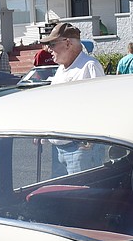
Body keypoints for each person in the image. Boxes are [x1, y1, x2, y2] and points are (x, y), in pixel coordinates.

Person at [40, 22, 105, 172]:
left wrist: (91, 139)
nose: (49, 49)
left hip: (80, 149)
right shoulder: (61, 70)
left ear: (67, 43)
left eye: (52, 44)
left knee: (81, 194)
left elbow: (101, 105)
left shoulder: (89, 66)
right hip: (59, 148)